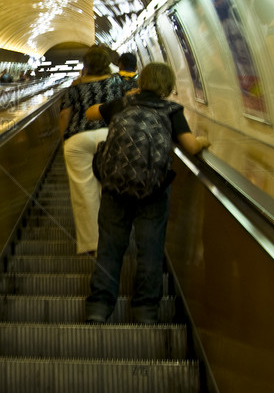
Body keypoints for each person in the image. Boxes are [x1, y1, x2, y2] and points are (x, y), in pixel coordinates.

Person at [83, 62, 209, 323]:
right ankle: (145, 311)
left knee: (110, 246)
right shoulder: (172, 110)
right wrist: (204, 141)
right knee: (149, 247)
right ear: (168, 85)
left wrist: (122, 99)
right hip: (153, 190)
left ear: (142, 82)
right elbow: (191, 146)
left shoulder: (124, 105)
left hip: (115, 186)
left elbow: (90, 113)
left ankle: (99, 307)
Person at [58, 46, 124, 255]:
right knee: (112, 189)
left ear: (86, 65)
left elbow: (64, 115)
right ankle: (114, 241)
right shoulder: (117, 83)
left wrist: (64, 139)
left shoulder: (75, 87)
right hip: (110, 135)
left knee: (83, 192)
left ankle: (91, 244)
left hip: (78, 138)